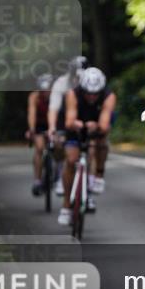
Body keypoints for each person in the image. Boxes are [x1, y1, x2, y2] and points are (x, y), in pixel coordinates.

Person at [59, 67, 117, 225]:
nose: (92, 97)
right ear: (82, 89)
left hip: (96, 125)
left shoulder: (109, 96)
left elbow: (104, 125)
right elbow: (69, 121)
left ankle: (98, 175)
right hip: (76, 128)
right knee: (71, 160)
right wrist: (76, 124)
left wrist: (96, 126)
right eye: (88, 93)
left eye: (95, 93)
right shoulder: (73, 94)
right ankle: (66, 205)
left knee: (101, 143)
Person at [47, 56, 88, 197]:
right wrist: (52, 128)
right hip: (63, 118)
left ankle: (90, 183)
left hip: (83, 116)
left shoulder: (91, 82)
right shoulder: (61, 84)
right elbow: (53, 108)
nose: (78, 80)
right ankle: (60, 173)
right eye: (75, 76)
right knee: (58, 142)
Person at [27, 73, 53, 195]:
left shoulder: (57, 96)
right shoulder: (34, 97)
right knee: (39, 148)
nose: (46, 93)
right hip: (39, 125)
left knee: (60, 145)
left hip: (54, 124)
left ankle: (58, 172)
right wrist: (32, 129)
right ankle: (37, 180)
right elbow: (31, 114)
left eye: (48, 90)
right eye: (43, 91)